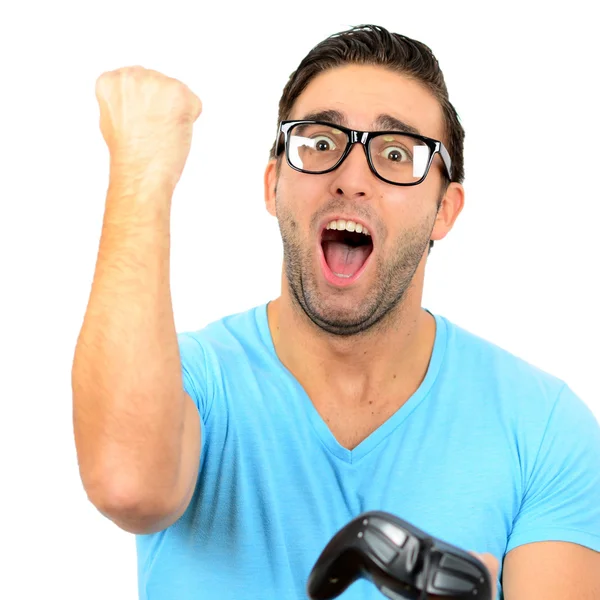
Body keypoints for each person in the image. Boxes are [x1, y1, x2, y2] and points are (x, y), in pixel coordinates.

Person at [72, 24, 600, 600]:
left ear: (444, 210)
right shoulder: (189, 383)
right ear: (274, 185)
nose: (352, 179)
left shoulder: (544, 428)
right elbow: (127, 484)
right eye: (320, 143)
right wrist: (142, 170)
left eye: (397, 154)